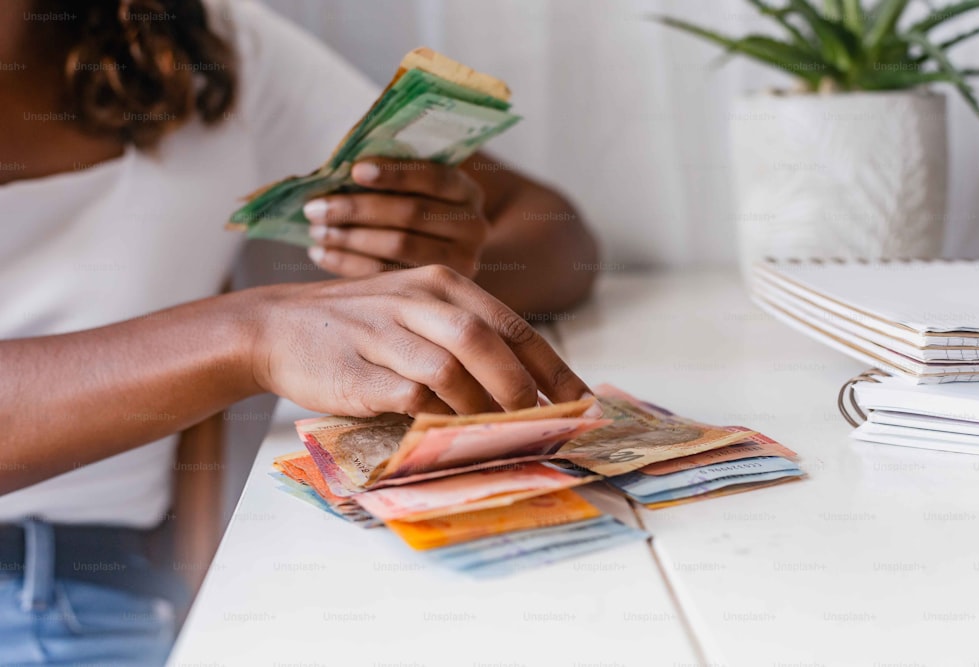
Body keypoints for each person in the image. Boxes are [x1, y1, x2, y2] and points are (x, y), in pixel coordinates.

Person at [0, 0, 599, 664]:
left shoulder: (202, 42)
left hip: (98, 593)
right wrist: (252, 333)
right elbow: (256, 334)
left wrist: (424, 288)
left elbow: (553, 231)